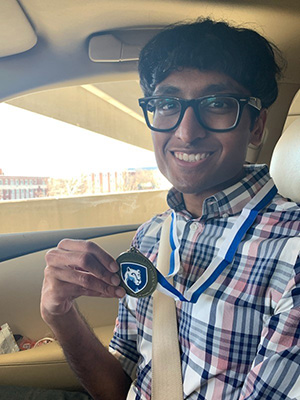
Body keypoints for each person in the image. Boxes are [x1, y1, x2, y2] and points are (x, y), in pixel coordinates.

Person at [2, 18, 299, 400]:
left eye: (218, 104)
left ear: (256, 126)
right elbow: (119, 388)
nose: (187, 131)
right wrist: (61, 316)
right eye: (166, 104)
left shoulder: (291, 252)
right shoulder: (153, 234)